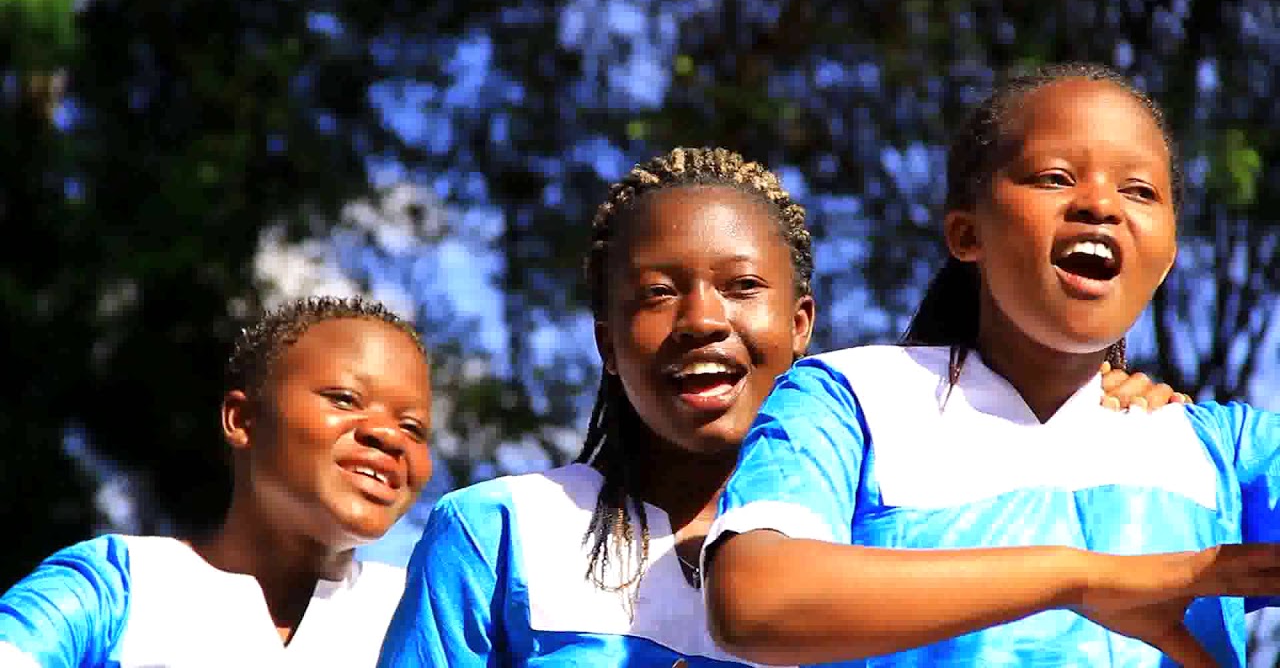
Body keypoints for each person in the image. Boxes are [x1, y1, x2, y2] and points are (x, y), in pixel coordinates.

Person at [376, 147, 1181, 667]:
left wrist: (1126, 410)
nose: (702, 320)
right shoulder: (499, 533)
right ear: (607, 343)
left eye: (741, 286)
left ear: (801, 326)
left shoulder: (894, 534)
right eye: (656, 294)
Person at [703, 63, 1280, 668]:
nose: (1100, 205)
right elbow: (754, 601)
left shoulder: (1225, 447)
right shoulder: (850, 397)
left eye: (1139, 191)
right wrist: (1078, 579)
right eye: (1055, 177)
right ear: (966, 234)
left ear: (1166, 258)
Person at [0, 296, 434, 667]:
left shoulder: (429, 617)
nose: (388, 435)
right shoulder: (122, 585)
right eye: (345, 399)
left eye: (413, 428)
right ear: (242, 420)